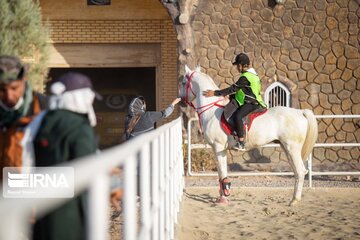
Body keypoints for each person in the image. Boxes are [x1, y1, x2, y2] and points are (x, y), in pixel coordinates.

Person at [32, 72, 101, 240]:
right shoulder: (79, 127)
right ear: (80, 97)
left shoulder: (40, 120)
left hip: (41, 206)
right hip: (71, 211)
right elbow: (87, 171)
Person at [203, 53, 266, 151]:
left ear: (241, 65)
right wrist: (231, 96)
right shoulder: (252, 75)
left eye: (237, 65)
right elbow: (244, 91)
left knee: (238, 116)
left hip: (252, 103)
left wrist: (215, 93)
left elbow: (234, 88)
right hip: (250, 100)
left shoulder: (246, 77)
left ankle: (241, 142)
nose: (237, 68)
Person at [0, 55, 47, 179]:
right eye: (2, 90)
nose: (9, 96)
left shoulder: (44, 108)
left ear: (23, 81)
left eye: (14, 88)